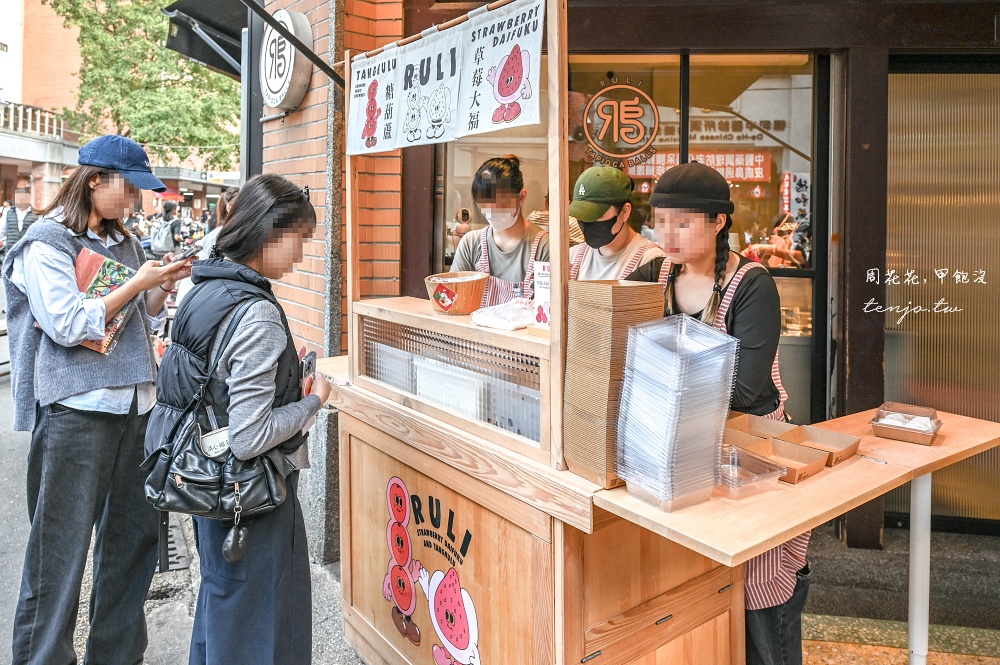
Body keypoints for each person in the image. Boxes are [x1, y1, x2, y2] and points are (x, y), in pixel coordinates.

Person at [1, 134, 193, 665]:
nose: (135, 201)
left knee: (131, 547)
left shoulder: (126, 244)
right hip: (74, 414)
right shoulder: (46, 243)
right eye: (128, 189)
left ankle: (116, 656)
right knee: (57, 555)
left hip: (135, 409)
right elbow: (66, 324)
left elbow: (139, 319)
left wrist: (160, 285)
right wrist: (137, 285)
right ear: (93, 181)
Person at [146, 173, 331, 665]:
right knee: (258, 628)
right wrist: (312, 402)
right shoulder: (257, 313)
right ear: (272, 233)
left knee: (222, 610)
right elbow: (250, 436)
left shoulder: (203, 289)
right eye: (300, 240)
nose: (300, 255)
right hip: (251, 497)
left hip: (208, 486)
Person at [627, 162, 806, 665]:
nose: (668, 234)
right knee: (694, 586)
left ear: (718, 222)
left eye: (682, 222)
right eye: (660, 221)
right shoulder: (652, 275)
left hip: (751, 452)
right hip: (678, 451)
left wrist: (657, 382)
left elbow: (747, 390)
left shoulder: (752, 284)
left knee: (759, 588)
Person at [451, 155, 550, 306]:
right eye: (484, 203)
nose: (491, 210)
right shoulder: (471, 243)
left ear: (522, 196)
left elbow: (549, 310)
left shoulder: (545, 247)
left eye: (499, 201)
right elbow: (454, 298)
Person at [567, 166, 664, 281]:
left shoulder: (650, 262)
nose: (587, 221)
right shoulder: (572, 257)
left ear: (624, 212)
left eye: (596, 214)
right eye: (582, 214)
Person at [742, 212, 807, 268]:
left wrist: (770, 249)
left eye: (780, 233)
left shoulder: (796, 248)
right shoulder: (769, 253)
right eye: (773, 234)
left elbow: (801, 258)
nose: (775, 237)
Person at [5, 187, 39, 252]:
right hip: (11, 250)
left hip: (28, 251)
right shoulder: (8, 212)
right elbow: (1, 230)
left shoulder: (36, 214)